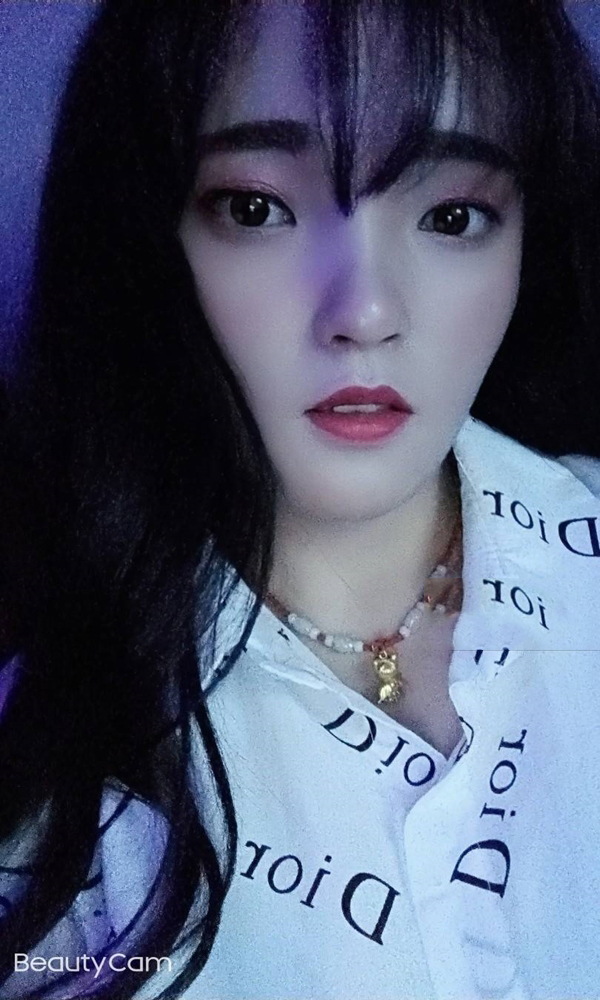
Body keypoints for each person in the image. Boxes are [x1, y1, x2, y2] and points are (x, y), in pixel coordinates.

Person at [1, 0, 600, 997]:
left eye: (453, 216)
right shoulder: (56, 758)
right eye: (256, 208)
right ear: (147, 231)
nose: (363, 311)